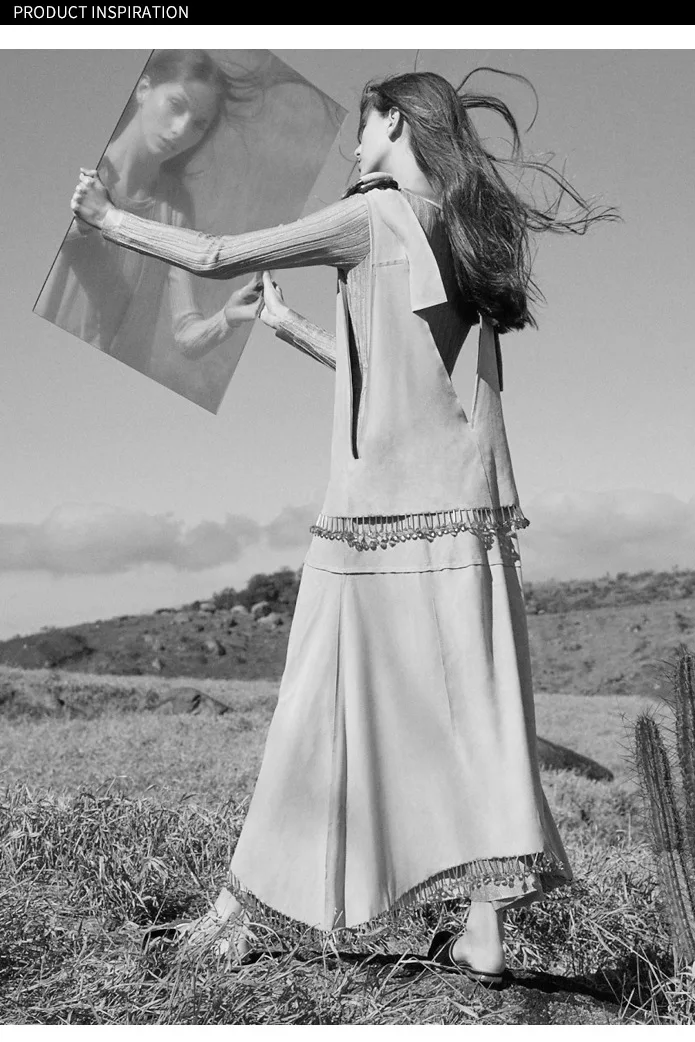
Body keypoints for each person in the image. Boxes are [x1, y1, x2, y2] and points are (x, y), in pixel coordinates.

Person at [71, 68, 616, 987]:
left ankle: (237, 916)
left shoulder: (371, 218)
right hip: (467, 516)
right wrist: (290, 328)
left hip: (372, 521)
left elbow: (216, 253)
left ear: (394, 122)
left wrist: (106, 219)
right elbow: (406, 385)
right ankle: (483, 930)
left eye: (362, 126)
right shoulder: (458, 229)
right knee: (472, 716)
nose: (353, 144)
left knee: (310, 710)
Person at [37, 50, 264, 376]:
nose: (181, 130)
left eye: (199, 124)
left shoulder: (176, 207)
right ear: (143, 89)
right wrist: (85, 221)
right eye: (176, 105)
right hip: (43, 366)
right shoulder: (82, 164)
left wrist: (227, 318)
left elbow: (186, 336)